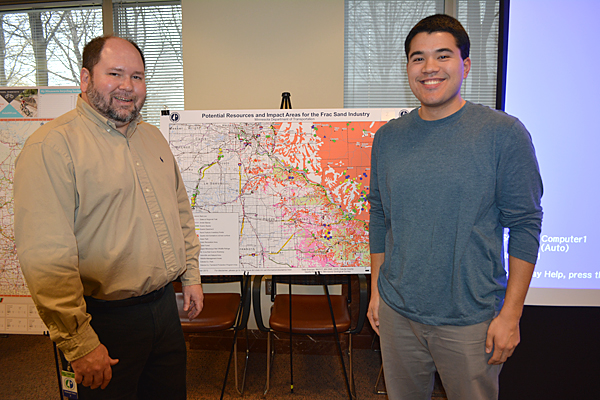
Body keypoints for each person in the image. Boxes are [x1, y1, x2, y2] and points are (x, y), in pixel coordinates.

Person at [14, 35, 203, 400]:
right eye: (115, 74)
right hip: (103, 320)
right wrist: (80, 343)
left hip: (164, 310)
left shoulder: (153, 139)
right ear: (85, 79)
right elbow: (46, 258)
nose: (128, 87)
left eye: (137, 76)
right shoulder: (52, 148)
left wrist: (190, 275)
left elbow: (179, 210)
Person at [367, 14, 543, 400]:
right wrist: (378, 292)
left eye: (442, 56)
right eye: (418, 58)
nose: (429, 68)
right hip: (398, 313)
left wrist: (511, 315)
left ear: (464, 64)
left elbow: (526, 225)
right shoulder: (388, 138)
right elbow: (380, 215)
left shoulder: (503, 134)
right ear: (408, 67)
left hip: (470, 320)